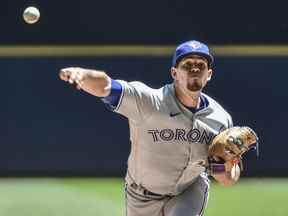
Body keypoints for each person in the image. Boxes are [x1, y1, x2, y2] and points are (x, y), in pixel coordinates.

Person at [59, 40, 240, 216]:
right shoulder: (149, 101)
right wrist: (82, 75)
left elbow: (226, 178)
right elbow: (107, 86)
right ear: (174, 73)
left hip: (189, 189)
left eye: (201, 65)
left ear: (208, 74)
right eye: (187, 64)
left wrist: (224, 167)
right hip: (141, 195)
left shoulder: (220, 119)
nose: (194, 68)